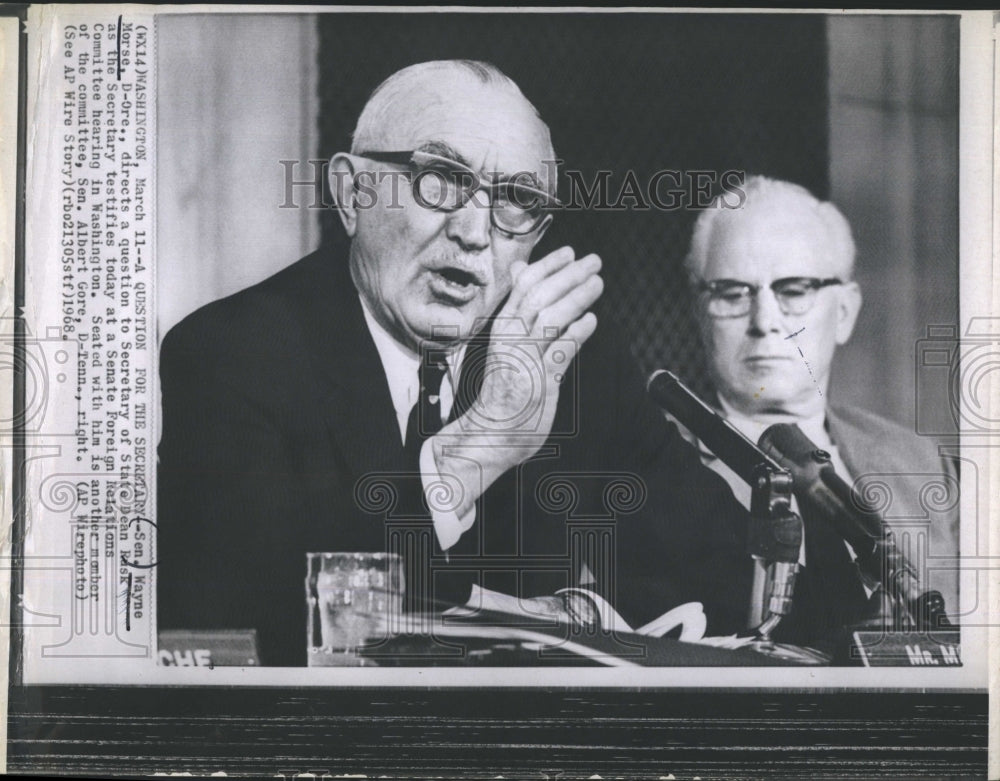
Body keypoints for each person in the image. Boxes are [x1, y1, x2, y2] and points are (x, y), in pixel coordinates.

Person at [157, 60, 755, 666]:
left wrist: (585, 615)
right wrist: (473, 450)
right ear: (351, 194)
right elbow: (239, 620)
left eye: (516, 200)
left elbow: (740, 578)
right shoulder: (233, 354)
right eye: (440, 179)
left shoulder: (573, 361)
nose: (474, 233)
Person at [685, 175, 959, 650]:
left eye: (793, 290)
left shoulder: (925, 468)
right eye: (732, 293)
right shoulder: (645, 460)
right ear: (699, 311)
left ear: (846, 312)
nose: (764, 321)